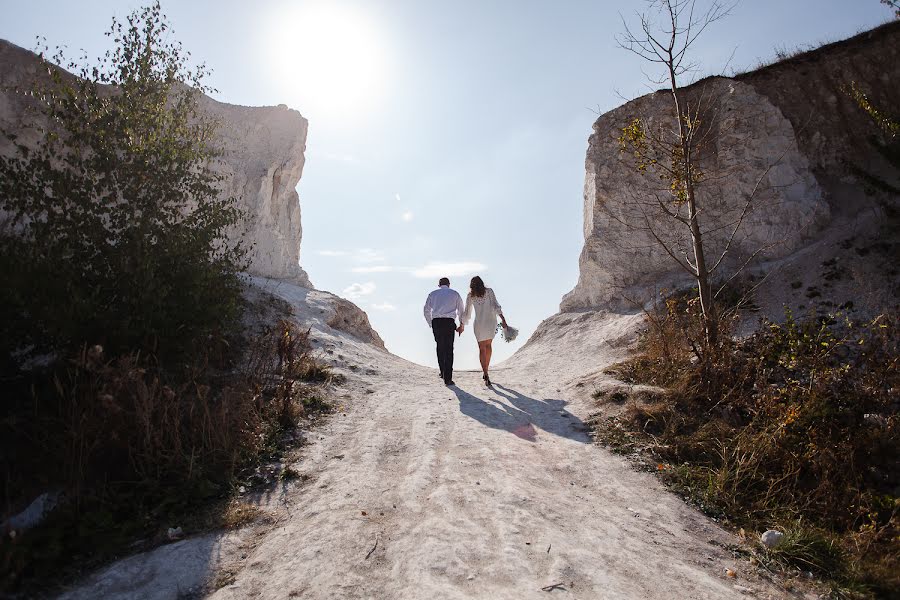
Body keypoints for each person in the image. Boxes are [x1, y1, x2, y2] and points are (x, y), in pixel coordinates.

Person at [461, 275, 507, 386]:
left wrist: (462, 325)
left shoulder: (470, 295)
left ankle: (485, 372)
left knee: (481, 348)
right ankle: (486, 370)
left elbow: (467, 313)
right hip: (491, 322)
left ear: (471, 285)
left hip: (479, 324)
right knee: (488, 346)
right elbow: (496, 306)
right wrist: (503, 319)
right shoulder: (489, 291)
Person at [423, 277, 466, 386]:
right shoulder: (455, 293)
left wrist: (430, 323)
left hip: (436, 322)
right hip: (449, 322)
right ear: (449, 284)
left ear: (439, 285)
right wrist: (461, 324)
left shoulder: (432, 294)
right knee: (449, 349)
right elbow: (461, 310)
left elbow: (426, 310)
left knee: (440, 347)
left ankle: (442, 371)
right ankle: (448, 378)